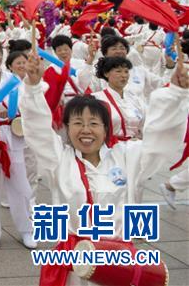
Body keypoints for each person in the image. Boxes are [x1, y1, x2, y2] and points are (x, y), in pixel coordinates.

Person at [19, 51, 189, 286]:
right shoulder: (59, 159)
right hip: (74, 263)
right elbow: (36, 128)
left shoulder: (128, 156)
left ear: (107, 128)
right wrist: (33, 88)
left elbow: (159, 140)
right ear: (67, 128)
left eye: (94, 124)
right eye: (78, 123)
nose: (86, 130)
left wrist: (176, 94)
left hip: (117, 262)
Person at [0, 51, 36, 251]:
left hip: (12, 133)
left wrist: (15, 111)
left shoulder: (13, 79)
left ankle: (26, 229)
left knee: (19, 182)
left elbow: (26, 102)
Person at [91, 56, 145, 142]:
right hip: (110, 148)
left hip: (136, 147)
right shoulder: (96, 99)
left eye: (126, 71)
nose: (123, 76)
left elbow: (144, 126)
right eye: (118, 71)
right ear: (106, 74)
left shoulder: (135, 100)